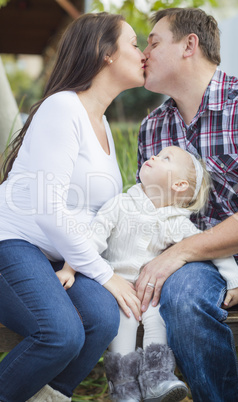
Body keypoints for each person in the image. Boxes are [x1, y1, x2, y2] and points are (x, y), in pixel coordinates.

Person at [0, 12, 145, 402]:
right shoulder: (63, 108)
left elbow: (92, 215)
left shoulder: (102, 124)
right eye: (134, 43)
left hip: (60, 258)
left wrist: (79, 264)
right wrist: (103, 273)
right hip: (13, 242)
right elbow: (49, 209)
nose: (142, 52)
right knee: (59, 334)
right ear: (105, 53)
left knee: (102, 319)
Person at [135, 7, 238, 402]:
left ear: (189, 45)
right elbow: (148, 213)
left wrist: (179, 252)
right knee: (181, 296)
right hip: (201, 266)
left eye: (154, 43)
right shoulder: (152, 128)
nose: (144, 53)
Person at [57, 145, 238, 402]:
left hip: (150, 290)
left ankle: (157, 376)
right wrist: (69, 268)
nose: (154, 156)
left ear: (179, 185)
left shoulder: (175, 221)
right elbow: (93, 239)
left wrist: (233, 280)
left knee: (158, 315)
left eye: (166, 158)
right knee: (125, 319)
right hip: (117, 284)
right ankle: (123, 385)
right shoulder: (121, 203)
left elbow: (212, 247)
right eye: (158, 154)